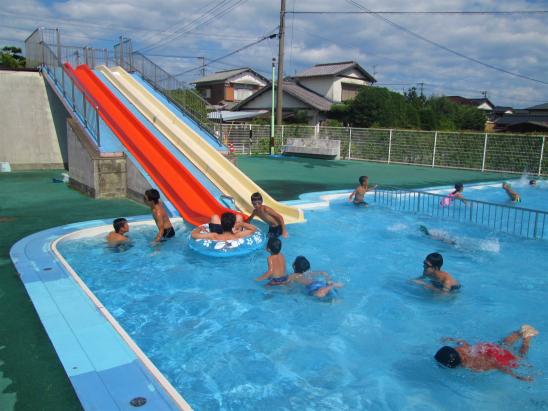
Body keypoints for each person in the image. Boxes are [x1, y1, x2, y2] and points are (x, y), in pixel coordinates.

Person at [434, 325, 539, 381]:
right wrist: (453, 339)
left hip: (495, 357)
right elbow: (463, 342)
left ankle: (527, 338)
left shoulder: (473, 365)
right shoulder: (460, 349)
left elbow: (497, 365)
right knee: (502, 345)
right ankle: (518, 333)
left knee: (520, 356)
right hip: (486, 348)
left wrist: (517, 376)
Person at [191, 212, 256, 241]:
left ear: (221, 224)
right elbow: (253, 229)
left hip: (220, 234)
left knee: (215, 217)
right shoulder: (237, 235)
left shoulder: (214, 236)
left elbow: (193, 235)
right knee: (239, 216)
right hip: (232, 233)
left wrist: (200, 228)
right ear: (233, 225)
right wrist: (241, 224)